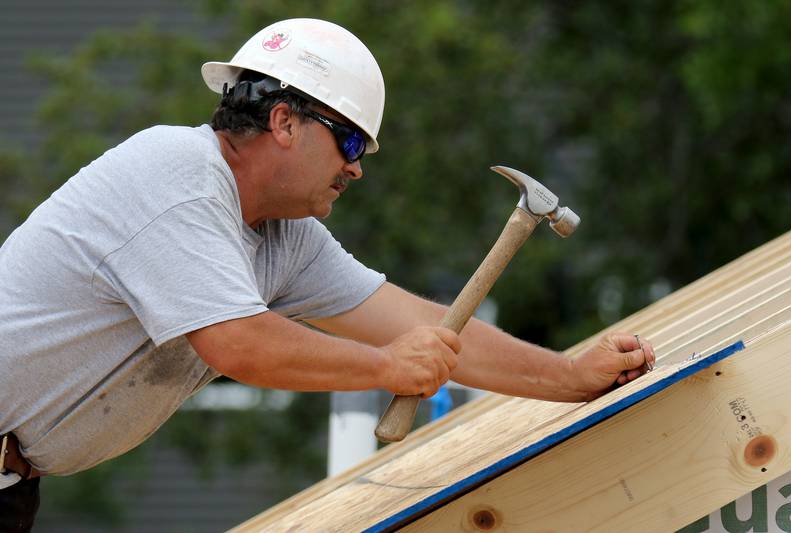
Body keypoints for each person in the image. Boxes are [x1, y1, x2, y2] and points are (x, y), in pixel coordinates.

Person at [0, 18, 655, 531]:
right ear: (283, 120)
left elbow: (427, 330)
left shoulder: (285, 239)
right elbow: (240, 343)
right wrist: (384, 368)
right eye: (349, 142)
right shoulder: (179, 176)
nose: (357, 168)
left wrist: (570, 377)